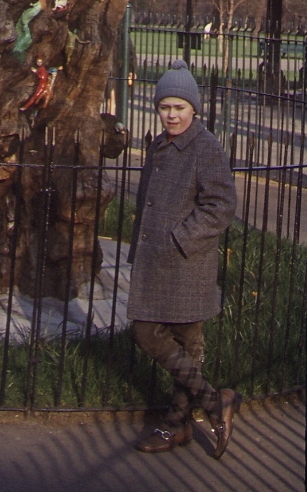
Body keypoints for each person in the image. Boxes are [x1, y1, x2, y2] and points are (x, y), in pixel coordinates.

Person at [127, 59, 240, 458]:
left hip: (187, 263)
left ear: (194, 109)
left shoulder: (205, 147)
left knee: (184, 342)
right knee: (149, 332)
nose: (171, 115)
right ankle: (213, 402)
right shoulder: (160, 144)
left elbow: (221, 205)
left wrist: (180, 239)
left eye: (179, 108)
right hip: (159, 262)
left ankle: (176, 425)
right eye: (165, 107)